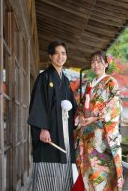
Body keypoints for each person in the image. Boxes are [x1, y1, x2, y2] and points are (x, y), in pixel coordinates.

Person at [27, 39, 77, 191]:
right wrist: (43, 128)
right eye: (56, 54)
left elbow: (73, 106)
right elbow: (38, 103)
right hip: (50, 132)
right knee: (47, 167)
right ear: (50, 56)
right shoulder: (45, 78)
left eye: (63, 53)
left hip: (64, 132)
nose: (60, 57)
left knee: (64, 165)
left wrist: (81, 117)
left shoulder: (66, 80)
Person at [75, 52, 124, 190]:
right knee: (89, 170)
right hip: (87, 135)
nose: (95, 65)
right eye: (93, 62)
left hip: (101, 135)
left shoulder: (111, 82)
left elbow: (114, 105)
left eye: (99, 62)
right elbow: (82, 105)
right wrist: (82, 117)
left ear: (106, 64)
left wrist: (95, 117)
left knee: (102, 171)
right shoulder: (90, 84)